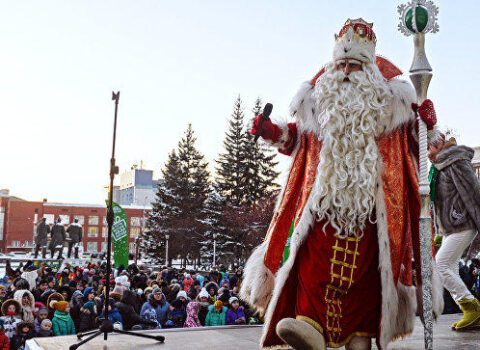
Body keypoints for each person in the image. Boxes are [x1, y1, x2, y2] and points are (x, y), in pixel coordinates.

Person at [241, 18, 445, 350]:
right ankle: (308, 326)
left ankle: (358, 341)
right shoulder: (321, 106)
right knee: (312, 271)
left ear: (369, 72)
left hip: (372, 218)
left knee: (366, 287)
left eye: (354, 64)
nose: (347, 70)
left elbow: (417, 145)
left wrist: (427, 123)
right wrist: (270, 131)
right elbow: (296, 139)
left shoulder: (389, 111)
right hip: (323, 211)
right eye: (341, 63)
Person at [429, 136, 480, 330]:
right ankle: (472, 312)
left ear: (440, 143)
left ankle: (472, 307)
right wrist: (441, 231)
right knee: (449, 266)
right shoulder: (440, 166)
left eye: (429, 147)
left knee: (440, 265)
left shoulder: (455, 162)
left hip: (464, 224)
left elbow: (474, 192)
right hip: (452, 228)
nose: (427, 152)